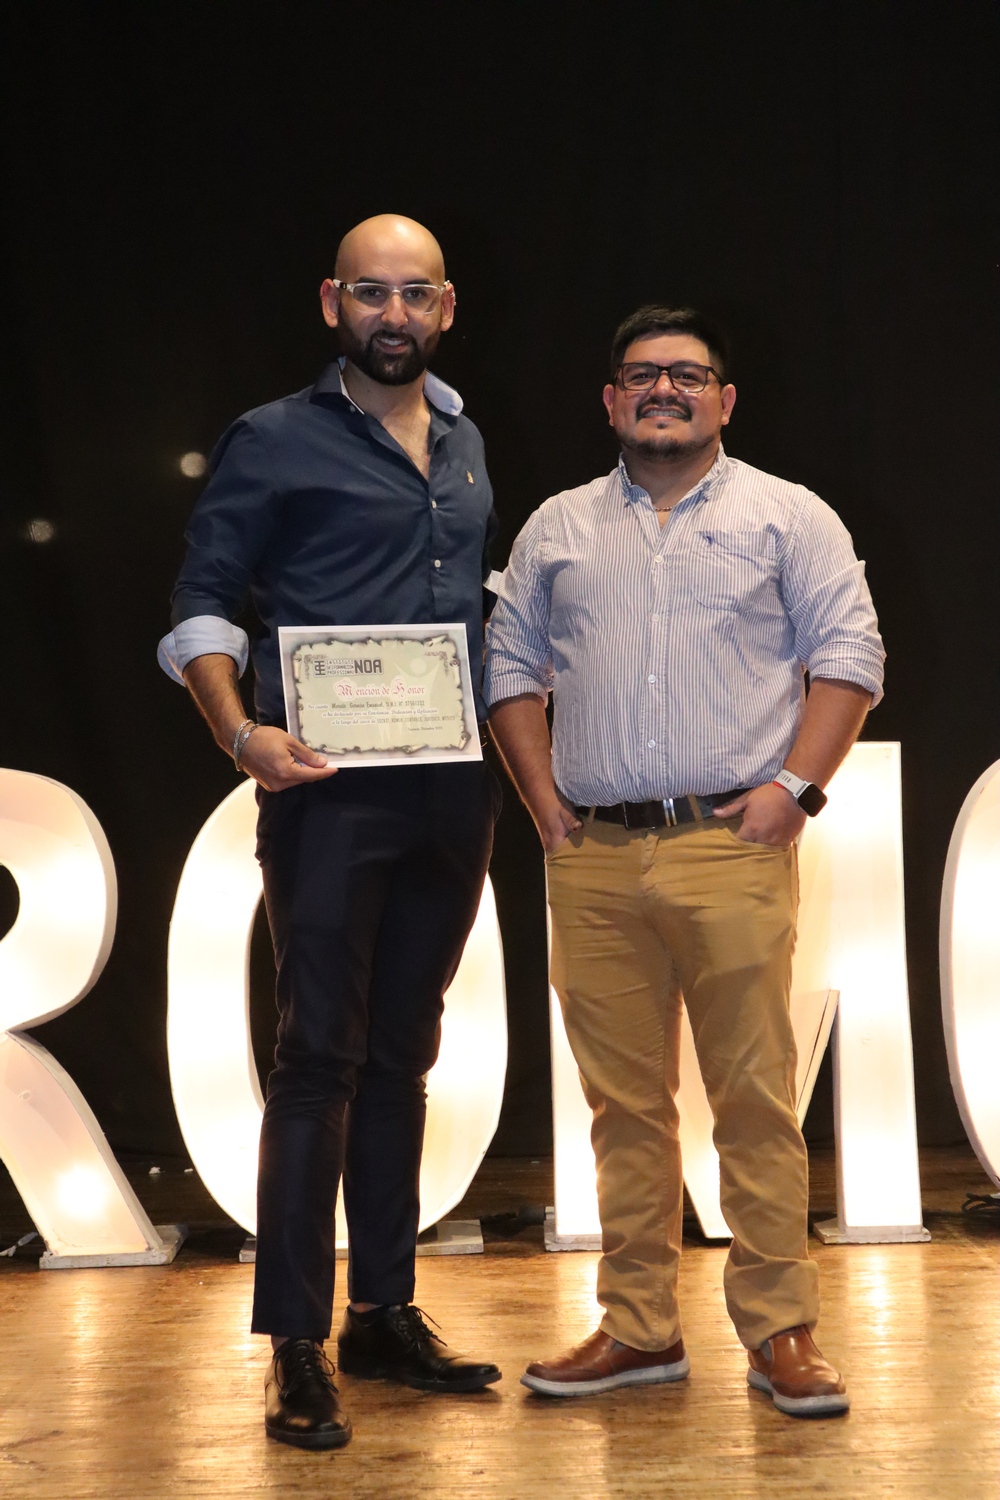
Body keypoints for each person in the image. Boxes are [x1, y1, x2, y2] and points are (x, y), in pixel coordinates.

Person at [486, 305, 884, 1418]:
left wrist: (794, 790)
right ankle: (638, 1329)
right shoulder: (557, 527)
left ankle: (781, 1332)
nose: (664, 389)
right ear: (611, 400)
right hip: (593, 857)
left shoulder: (788, 515)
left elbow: (851, 654)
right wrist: (544, 807)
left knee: (754, 1100)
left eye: (688, 375)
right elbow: (508, 664)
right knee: (623, 1109)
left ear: (725, 399)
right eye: (642, 375)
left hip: (729, 846)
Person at [158, 215, 502, 1450]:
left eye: (414, 295)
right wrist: (239, 733)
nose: (391, 315)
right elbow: (202, 603)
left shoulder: (465, 442)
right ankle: (296, 1342)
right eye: (370, 293)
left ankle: (382, 1314)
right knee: (316, 1062)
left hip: (451, 789)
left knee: (404, 1058)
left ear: (445, 308)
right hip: (324, 791)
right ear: (330, 303)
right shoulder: (271, 438)